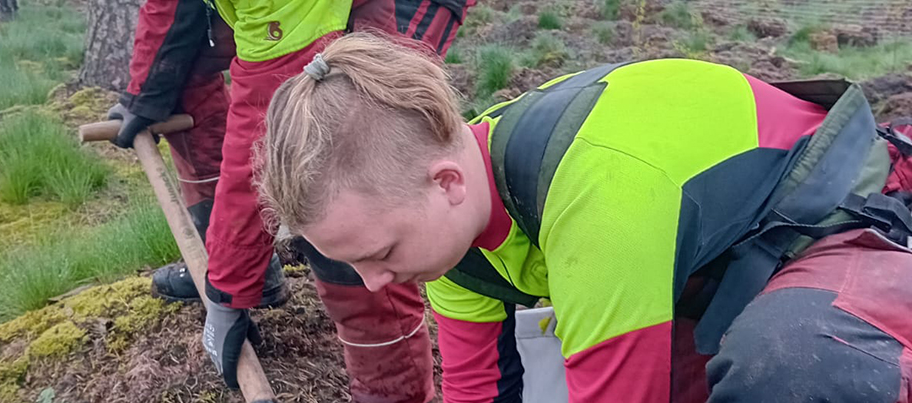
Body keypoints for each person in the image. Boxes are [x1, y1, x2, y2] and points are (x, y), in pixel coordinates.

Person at [257, 33, 912, 402]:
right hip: (725, 268)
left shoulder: (592, 200)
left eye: (381, 253)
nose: (375, 283)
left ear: (446, 182)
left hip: (851, 223)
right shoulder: (452, 242)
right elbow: (477, 391)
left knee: (786, 369)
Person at [107, 1, 473, 401]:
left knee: (342, 172)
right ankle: (251, 271)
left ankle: (391, 390)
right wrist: (145, 94)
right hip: (292, 19)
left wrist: (228, 289)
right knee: (185, 70)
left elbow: (263, 124)